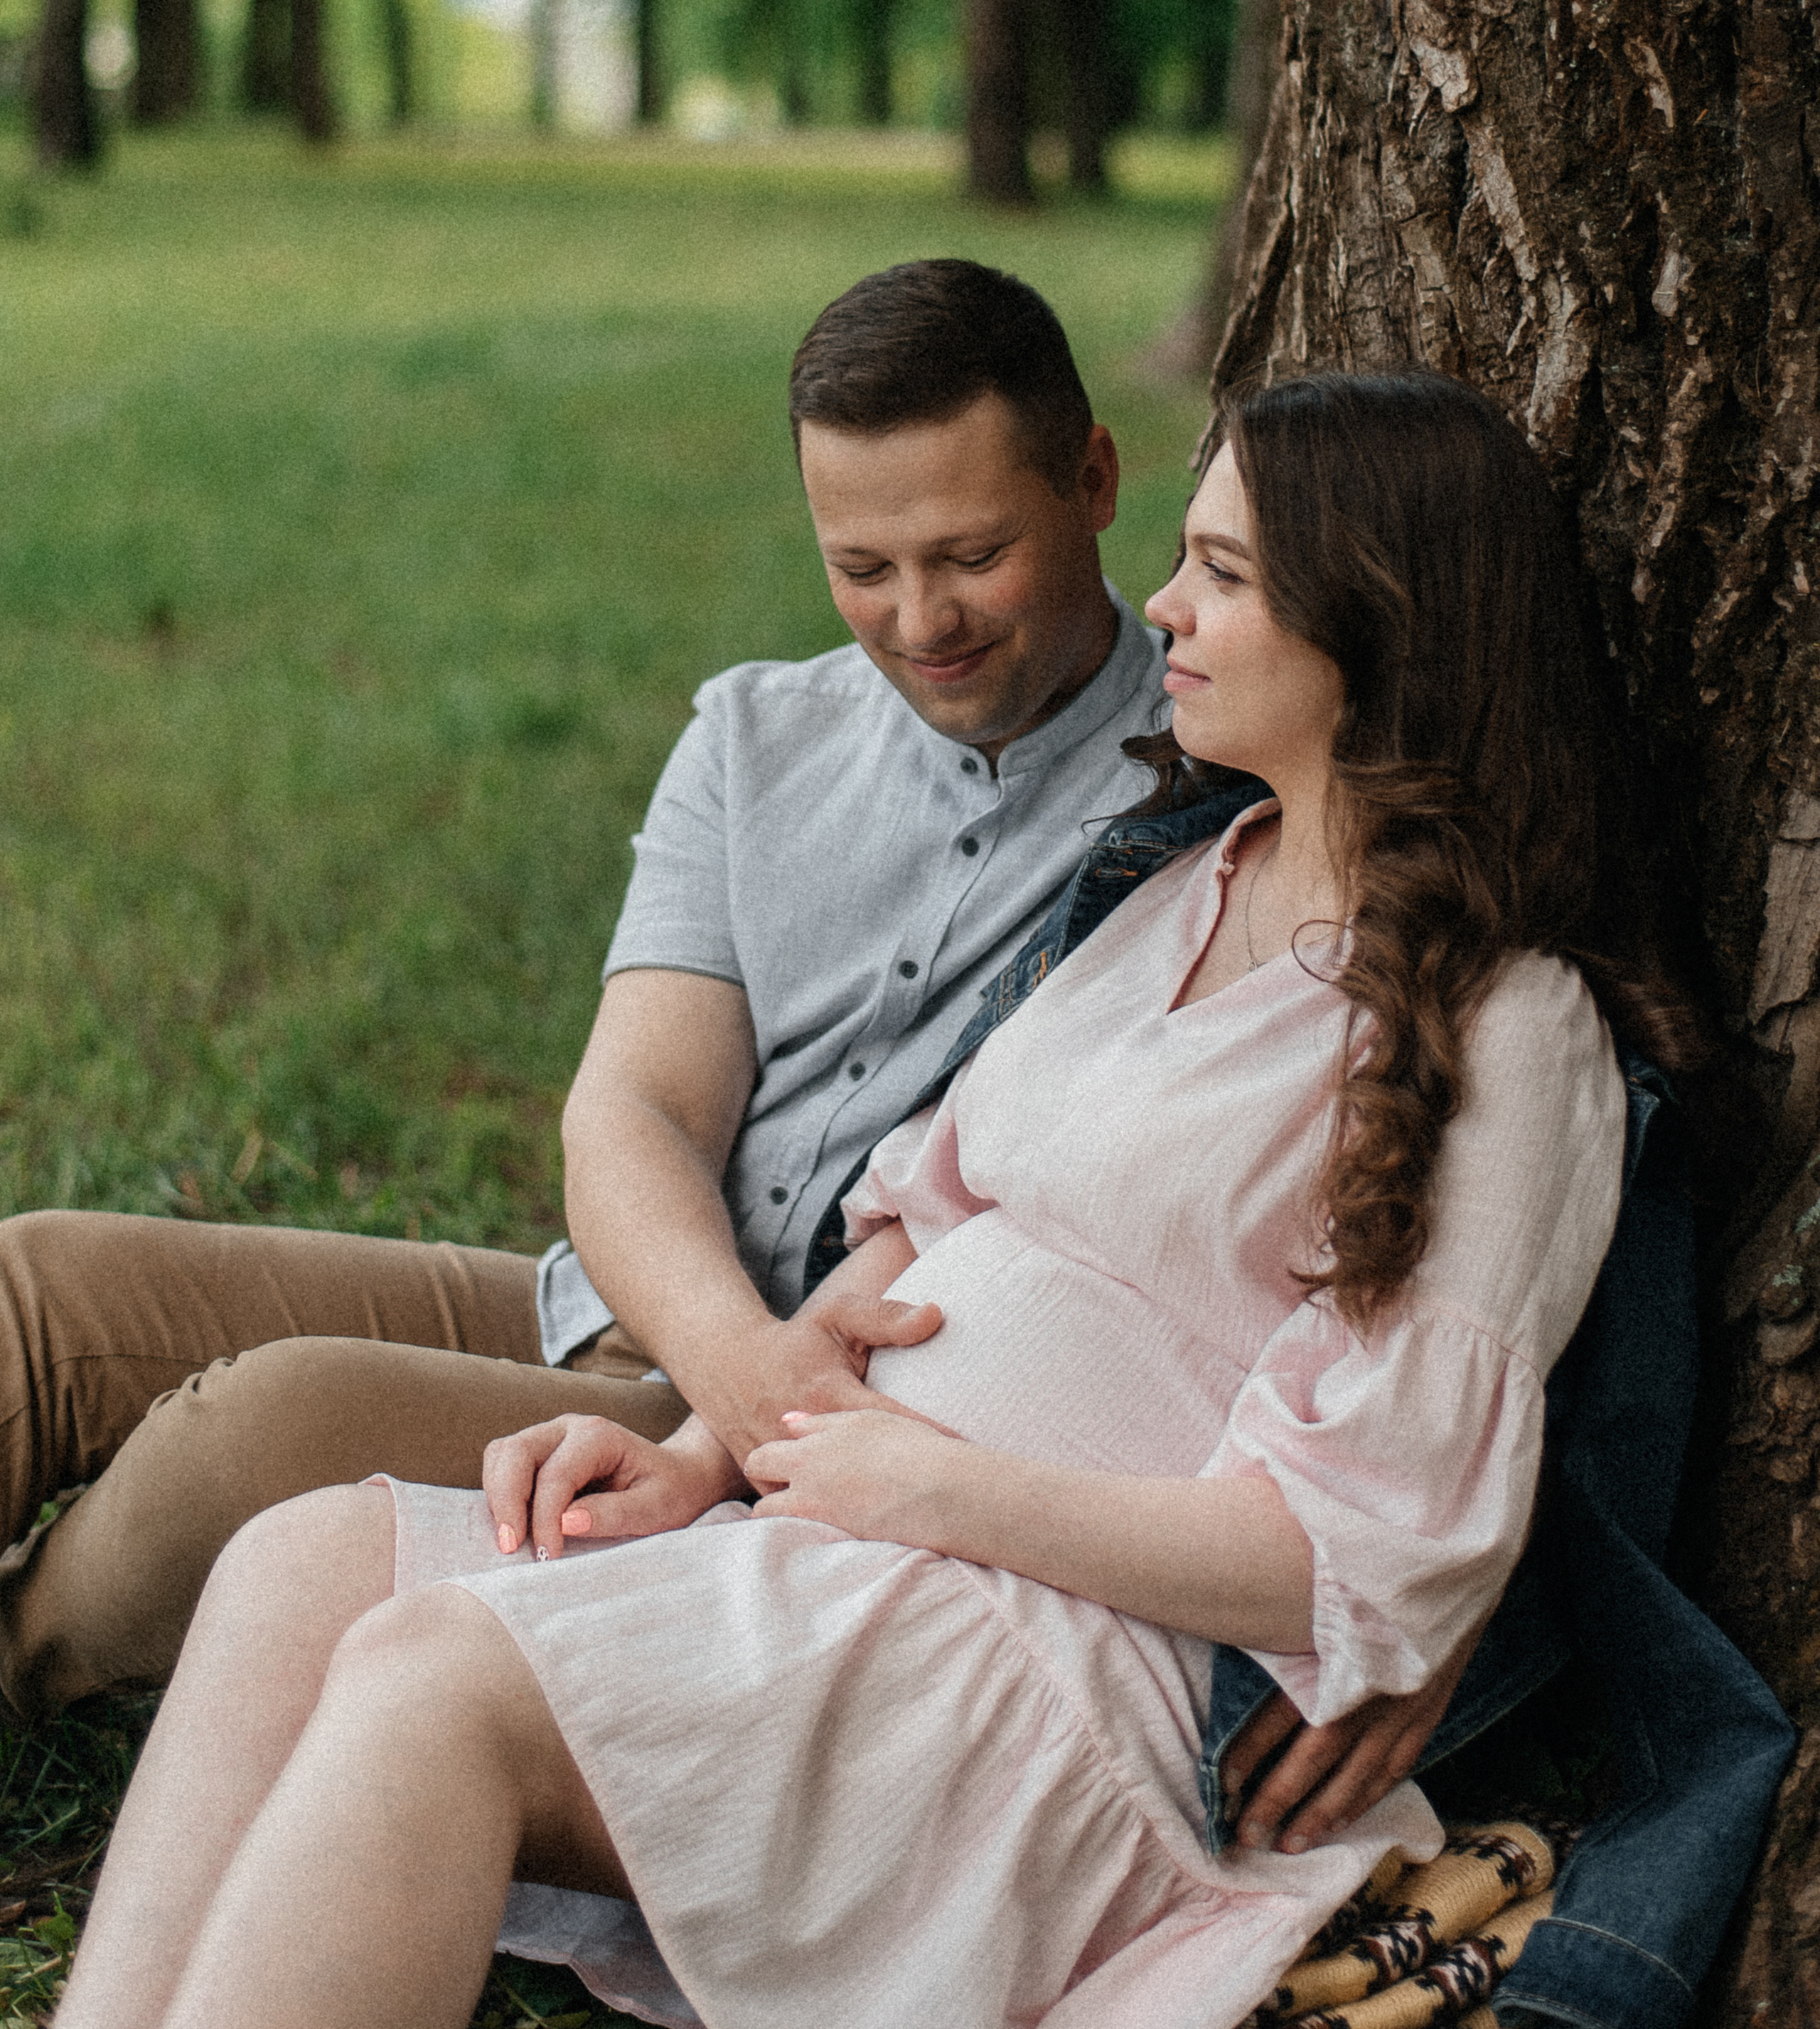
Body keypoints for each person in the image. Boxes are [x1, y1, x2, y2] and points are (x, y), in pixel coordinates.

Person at [53, 367, 1718, 2029]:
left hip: (1044, 1663)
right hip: (843, 1531)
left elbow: (1364, 1552)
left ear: (1383, 622)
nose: (1164, 603)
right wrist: (701, 1453)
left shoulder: (1506, 1028)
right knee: (296, 1566)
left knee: (437, 1682)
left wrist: (922, 1487)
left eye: (1221, 572)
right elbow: (924, 1218)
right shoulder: (1179, 886)